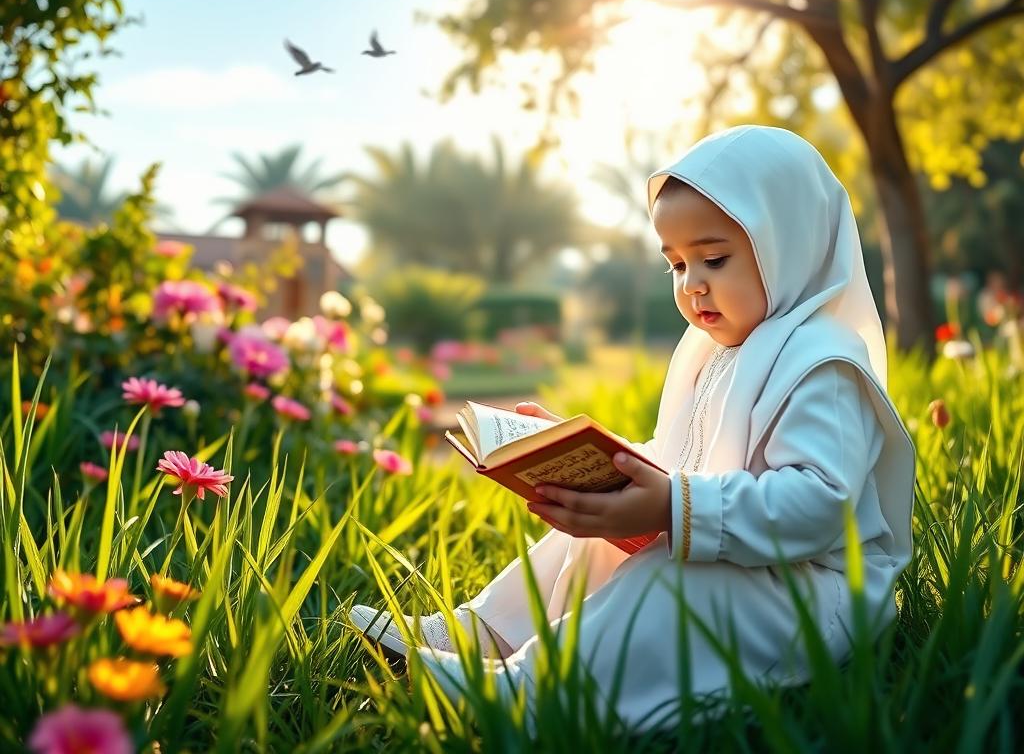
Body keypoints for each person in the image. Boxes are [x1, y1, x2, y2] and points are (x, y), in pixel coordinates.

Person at [348, 124, 916, 734]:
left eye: (715, 259)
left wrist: (674, 506)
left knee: (669, 581)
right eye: (677, 264)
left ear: (790, 241)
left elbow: (820, 504)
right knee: (588, 538)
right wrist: (595, 457)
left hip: (808, 594)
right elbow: (686, 461)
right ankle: (485, 633)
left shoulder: (822, 364)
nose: (692, 283)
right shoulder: (716, 352)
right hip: (739, 555)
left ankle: (528, 690)